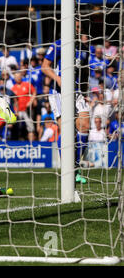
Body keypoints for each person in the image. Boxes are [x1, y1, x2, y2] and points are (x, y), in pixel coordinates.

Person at [41, 21, 91, 184]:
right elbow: (44, 67)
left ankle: (75, 166)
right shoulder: (58, 44)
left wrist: (84, 91)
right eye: (75, 27)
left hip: (76, 92)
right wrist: (58, 78)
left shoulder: (83, 48)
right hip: (59, 92)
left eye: (79, 27)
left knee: (85, 125)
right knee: (67, 129)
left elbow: (84, 73)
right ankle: (69, 171)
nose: (78, 29)